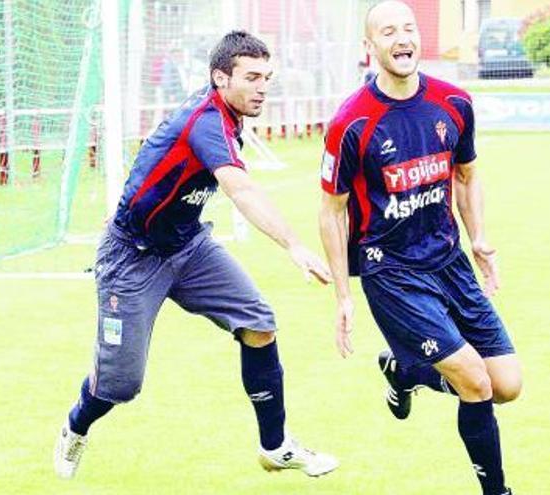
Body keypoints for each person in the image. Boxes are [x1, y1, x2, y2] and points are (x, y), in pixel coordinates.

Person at [54, 30, 338, 480]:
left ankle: (276, 445)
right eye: (251, 77)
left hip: (189, 246)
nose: (262, 87)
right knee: (119, 386)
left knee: (258, 322)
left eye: (267, 77)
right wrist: (295, 246)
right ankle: (75, 427)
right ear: (220, 78)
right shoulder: (206, 122)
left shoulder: (226, 113)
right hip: (132, 257)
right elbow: (240, 188)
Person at [317, 2, 521, 494]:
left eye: (408, 28)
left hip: (448, 261)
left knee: (506, 386)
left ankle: (404, 369)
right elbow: (332, 210)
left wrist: (480, 239)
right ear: (370, 47)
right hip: (392, 273)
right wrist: (345, 296)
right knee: (475, 382)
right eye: (388, 31)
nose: (401, 38)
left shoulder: (454, 103)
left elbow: (467, 177)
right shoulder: (351, 123)